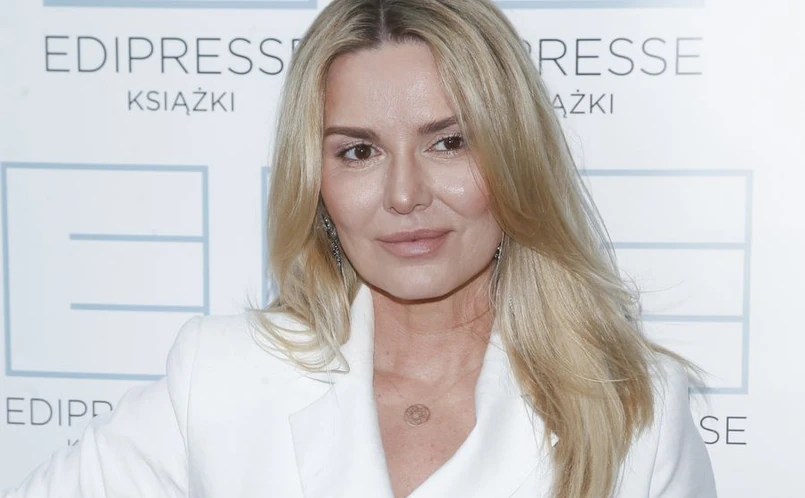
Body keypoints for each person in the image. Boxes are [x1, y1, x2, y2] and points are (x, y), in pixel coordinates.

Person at [2, 0, 717, 497]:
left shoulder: (634, 408)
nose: (404, 194)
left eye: (448, 142)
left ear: (514, 157)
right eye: (358, 151)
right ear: (315, 183)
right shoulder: (220, 376)